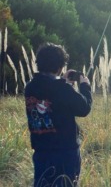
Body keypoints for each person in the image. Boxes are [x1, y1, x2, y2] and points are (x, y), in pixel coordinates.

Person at [24, 42, 92, 186]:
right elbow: (84, 108)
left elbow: (49, 91)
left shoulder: (30, 87)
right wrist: (85, 86)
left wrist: (62, 81)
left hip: (41, 152)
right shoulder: (63, 89)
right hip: (65, 153)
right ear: (60, 67)